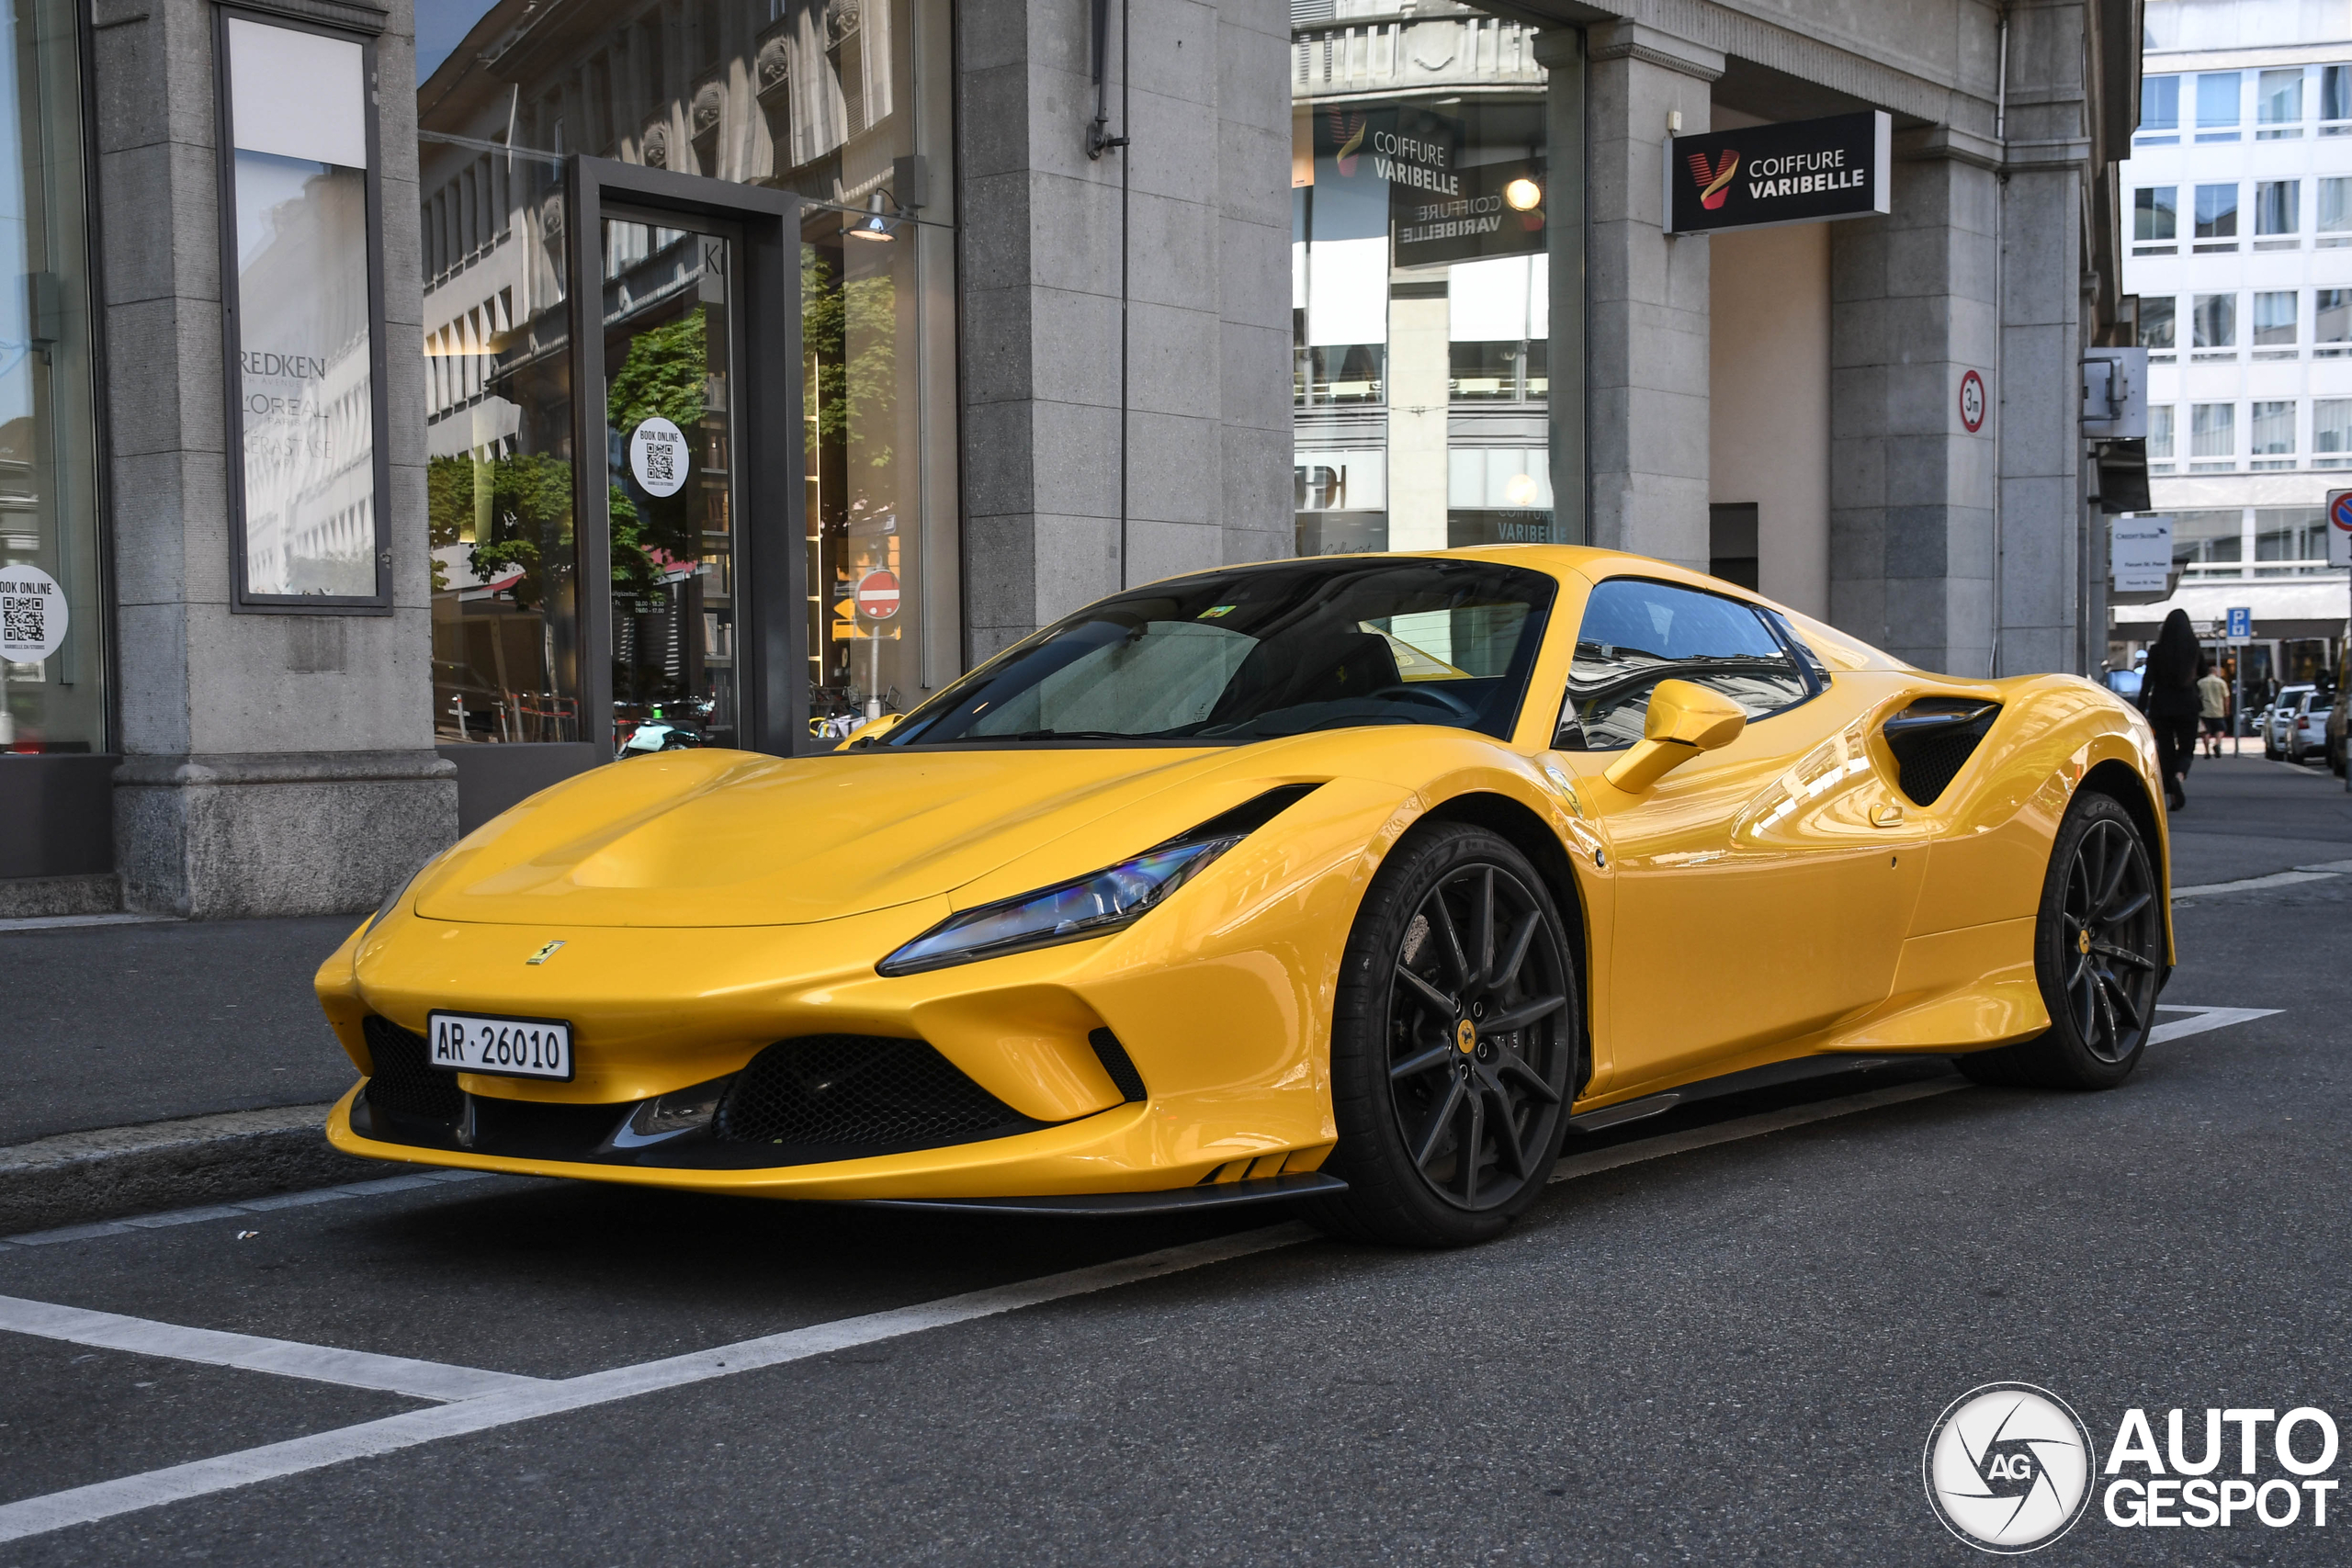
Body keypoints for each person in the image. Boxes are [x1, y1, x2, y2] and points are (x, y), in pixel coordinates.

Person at [2142, 609, 2202, 810]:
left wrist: (2140, 709)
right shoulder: (2193, 647)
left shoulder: (2157, 650)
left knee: (2166, 751)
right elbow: (2202, 673)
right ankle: (2179, 776)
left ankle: (2172, 794)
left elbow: (2147, 681)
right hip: (2188, 705)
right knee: (2187, 749)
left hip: (2162, 707)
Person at [2197, 657, 2230, 759]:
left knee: (2205, 731)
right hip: (2218, 710)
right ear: (2216, 672)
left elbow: (2197, 696)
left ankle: (2207, 752)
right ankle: (2217, 742)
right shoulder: (2221, 683)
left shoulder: (2201, 682)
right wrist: (2227, 710)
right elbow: (2226, 698)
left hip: (2204, 710)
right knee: (2220, 729)